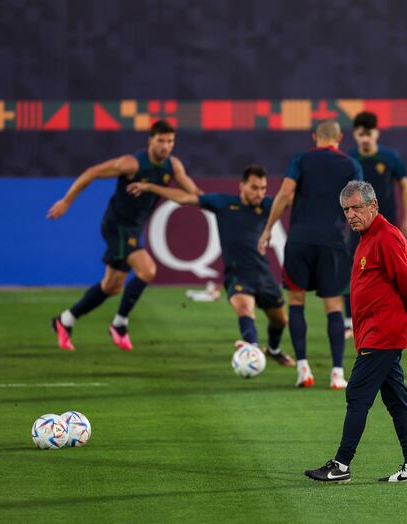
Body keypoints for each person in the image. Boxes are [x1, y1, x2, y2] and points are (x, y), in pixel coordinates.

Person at [304, 181, 407, 484]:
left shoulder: (385, 237)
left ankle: (341, 464)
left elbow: (406, 282)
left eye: (357, 207)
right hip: (375, 331)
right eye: (346, 209)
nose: (351, 214)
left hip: (383, 332)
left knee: (358, 393)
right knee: (397, 400)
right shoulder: (367, 237)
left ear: (373, 206)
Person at [47, 120, 201, 351]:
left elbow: (193, 191)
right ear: (150, 140)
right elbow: (92, 172)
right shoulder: (131, 164)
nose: (165, 146)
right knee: (148, 269)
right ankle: (120, 324)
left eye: (170, 141)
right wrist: (66, 201)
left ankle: (65, 320)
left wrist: (218, 205)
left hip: (133, 229)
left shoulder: (173, 166)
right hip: (116, 226)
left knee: (112, 286)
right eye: (161, 141)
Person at [126, 165, 295, 367]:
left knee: (280, 321)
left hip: (263, 274)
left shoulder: (268, 205)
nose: (259, 193)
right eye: (254, 187)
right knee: (244, 310)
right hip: (237, 275)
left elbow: (292, 197)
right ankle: (251, 350)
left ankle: (273, 350)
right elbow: (184, 198)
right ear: (242, 186)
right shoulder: (223, 203)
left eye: (263, 188)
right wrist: (150, 187)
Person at [257, 120, 363, 389]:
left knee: (295, 300)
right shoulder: (350, 164)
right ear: (339, 137)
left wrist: (268, 228)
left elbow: (285, 194)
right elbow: (359, 203)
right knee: (334, 306)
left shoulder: (300, 159)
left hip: (300, 239)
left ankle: (303, 369)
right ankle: (337, 373)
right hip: (333, 240)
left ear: (314, 136)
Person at [342, 111, 407, 338]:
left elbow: (404, 185)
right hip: (359, 228)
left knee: (396, 271)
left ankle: (402, 317)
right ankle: (349, 321)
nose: (365, 138)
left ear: (376, 133)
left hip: (387, 226)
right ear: (355, 135)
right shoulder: (350, 158)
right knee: (354, 270)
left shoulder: (390, 157)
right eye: (361, 134)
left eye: (369, 134)